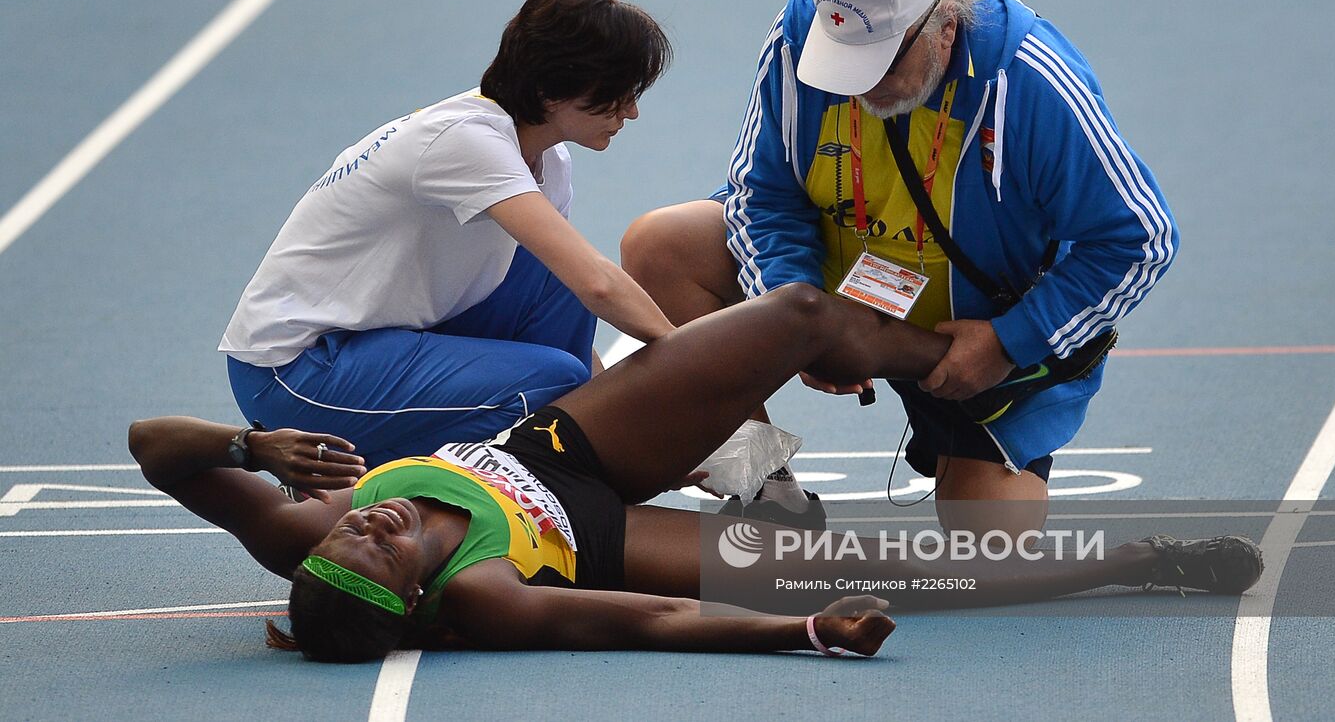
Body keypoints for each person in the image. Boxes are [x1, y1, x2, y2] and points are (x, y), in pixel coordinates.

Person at [131, 284, 1259, 662]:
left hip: (562, 449)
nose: (356, 528)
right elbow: (657, 621)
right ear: (416, 595)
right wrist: (802, 633)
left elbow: (148, 445)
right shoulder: (483, 593)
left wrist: (246, 450)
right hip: (593, 539)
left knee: (798, 317)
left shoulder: (300, 539)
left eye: (340, 534)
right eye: (373, 551)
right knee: (913, 566)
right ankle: (1148, 562)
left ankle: (974, 358)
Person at [622, 0, 1178, 536]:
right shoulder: (803, 35)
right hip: (841, 281)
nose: (860, 87)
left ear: (944, 28)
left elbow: (1141, 240)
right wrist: (792, 312)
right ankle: (765, 497)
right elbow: (763, 195)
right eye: (845, 64)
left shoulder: (1028, 81)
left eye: (882, 65)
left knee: (994, 550)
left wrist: (1008, 342)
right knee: (662, 246)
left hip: (972, 331)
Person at [220, 0, 677, 467]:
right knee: (552, 381)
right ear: (550, 92)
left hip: (378, 340)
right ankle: (383, 472)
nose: (631, 111)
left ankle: (575, 464)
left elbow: (575, 294)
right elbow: (600, 286)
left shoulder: (549, 160)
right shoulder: (466, 142)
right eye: (617, 94)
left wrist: (621, 427)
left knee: (556, 292)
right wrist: (692, 363)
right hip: (295, 372)